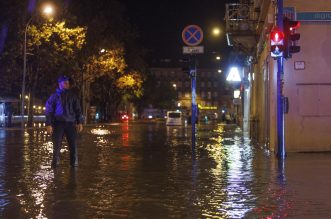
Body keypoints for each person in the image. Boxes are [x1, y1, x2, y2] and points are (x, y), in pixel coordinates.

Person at [45, 75, 84, 168]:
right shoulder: (54, 96)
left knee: (73, 147)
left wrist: (79, 122)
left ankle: (74, 167)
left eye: (68, 82)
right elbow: (48, 111)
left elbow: (78, 110)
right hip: (58, 124)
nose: (67, 83)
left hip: (71, 124)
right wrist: (48, 124)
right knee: (56, 147)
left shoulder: (73, 96)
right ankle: (55, 166)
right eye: (65, 82)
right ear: (59, 83)